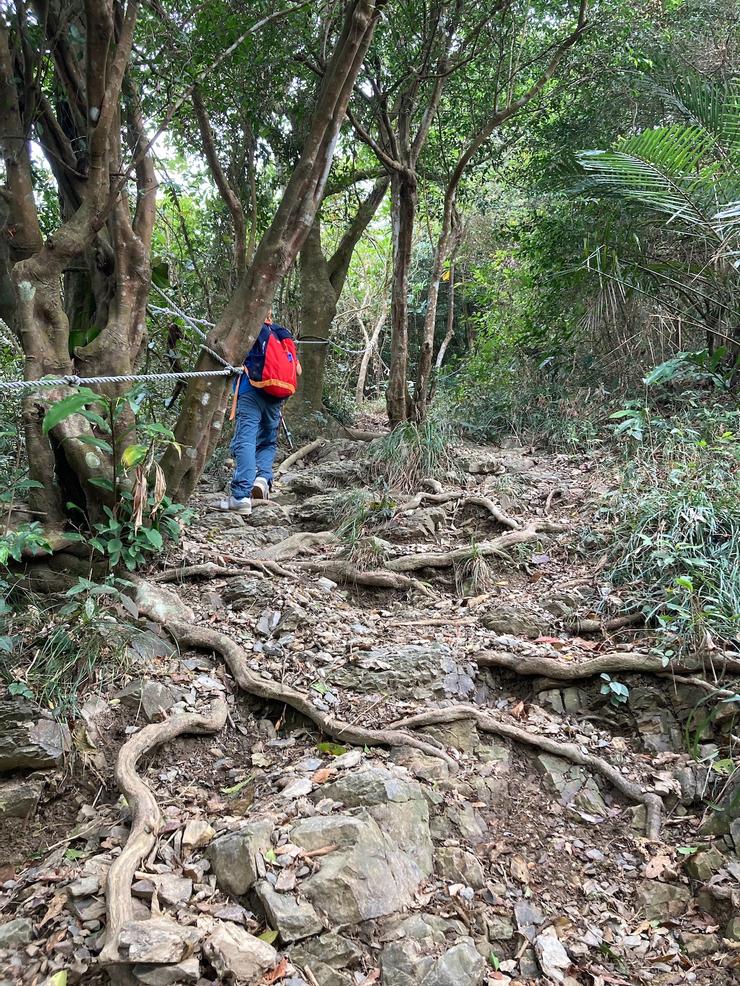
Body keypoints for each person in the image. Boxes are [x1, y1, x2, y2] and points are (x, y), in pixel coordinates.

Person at [216, 311, 300, 514]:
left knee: (245, 441)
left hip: (250, 391)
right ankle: (262, 480)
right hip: (276, 396)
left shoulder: (248, 330)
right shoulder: (282, 332)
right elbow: (297, 370)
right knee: (268, 441)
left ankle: (241, 496)